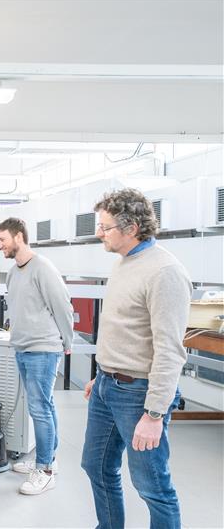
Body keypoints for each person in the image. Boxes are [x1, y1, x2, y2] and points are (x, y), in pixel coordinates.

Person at [81, 189, 191, 529]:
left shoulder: (164, 272)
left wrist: (155, 413)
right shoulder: (124, 263)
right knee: (96, 466)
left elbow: (170, 350)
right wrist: (102, 374)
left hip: (138, 394)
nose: (99, 233)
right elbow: (124, 329)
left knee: (152, 486)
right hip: (106, 386)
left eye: (105, 227)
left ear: (131, 228)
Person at [0, 217, 74, 495]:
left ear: (19, 237)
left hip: (43, 348)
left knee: (39, 409)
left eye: (2, 239)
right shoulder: (14, 272)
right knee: (45, 405)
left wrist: (68, 340)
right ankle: (47, 458)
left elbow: (63, 306)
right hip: (23, 347)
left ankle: (45, 470)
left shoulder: (43, 268)